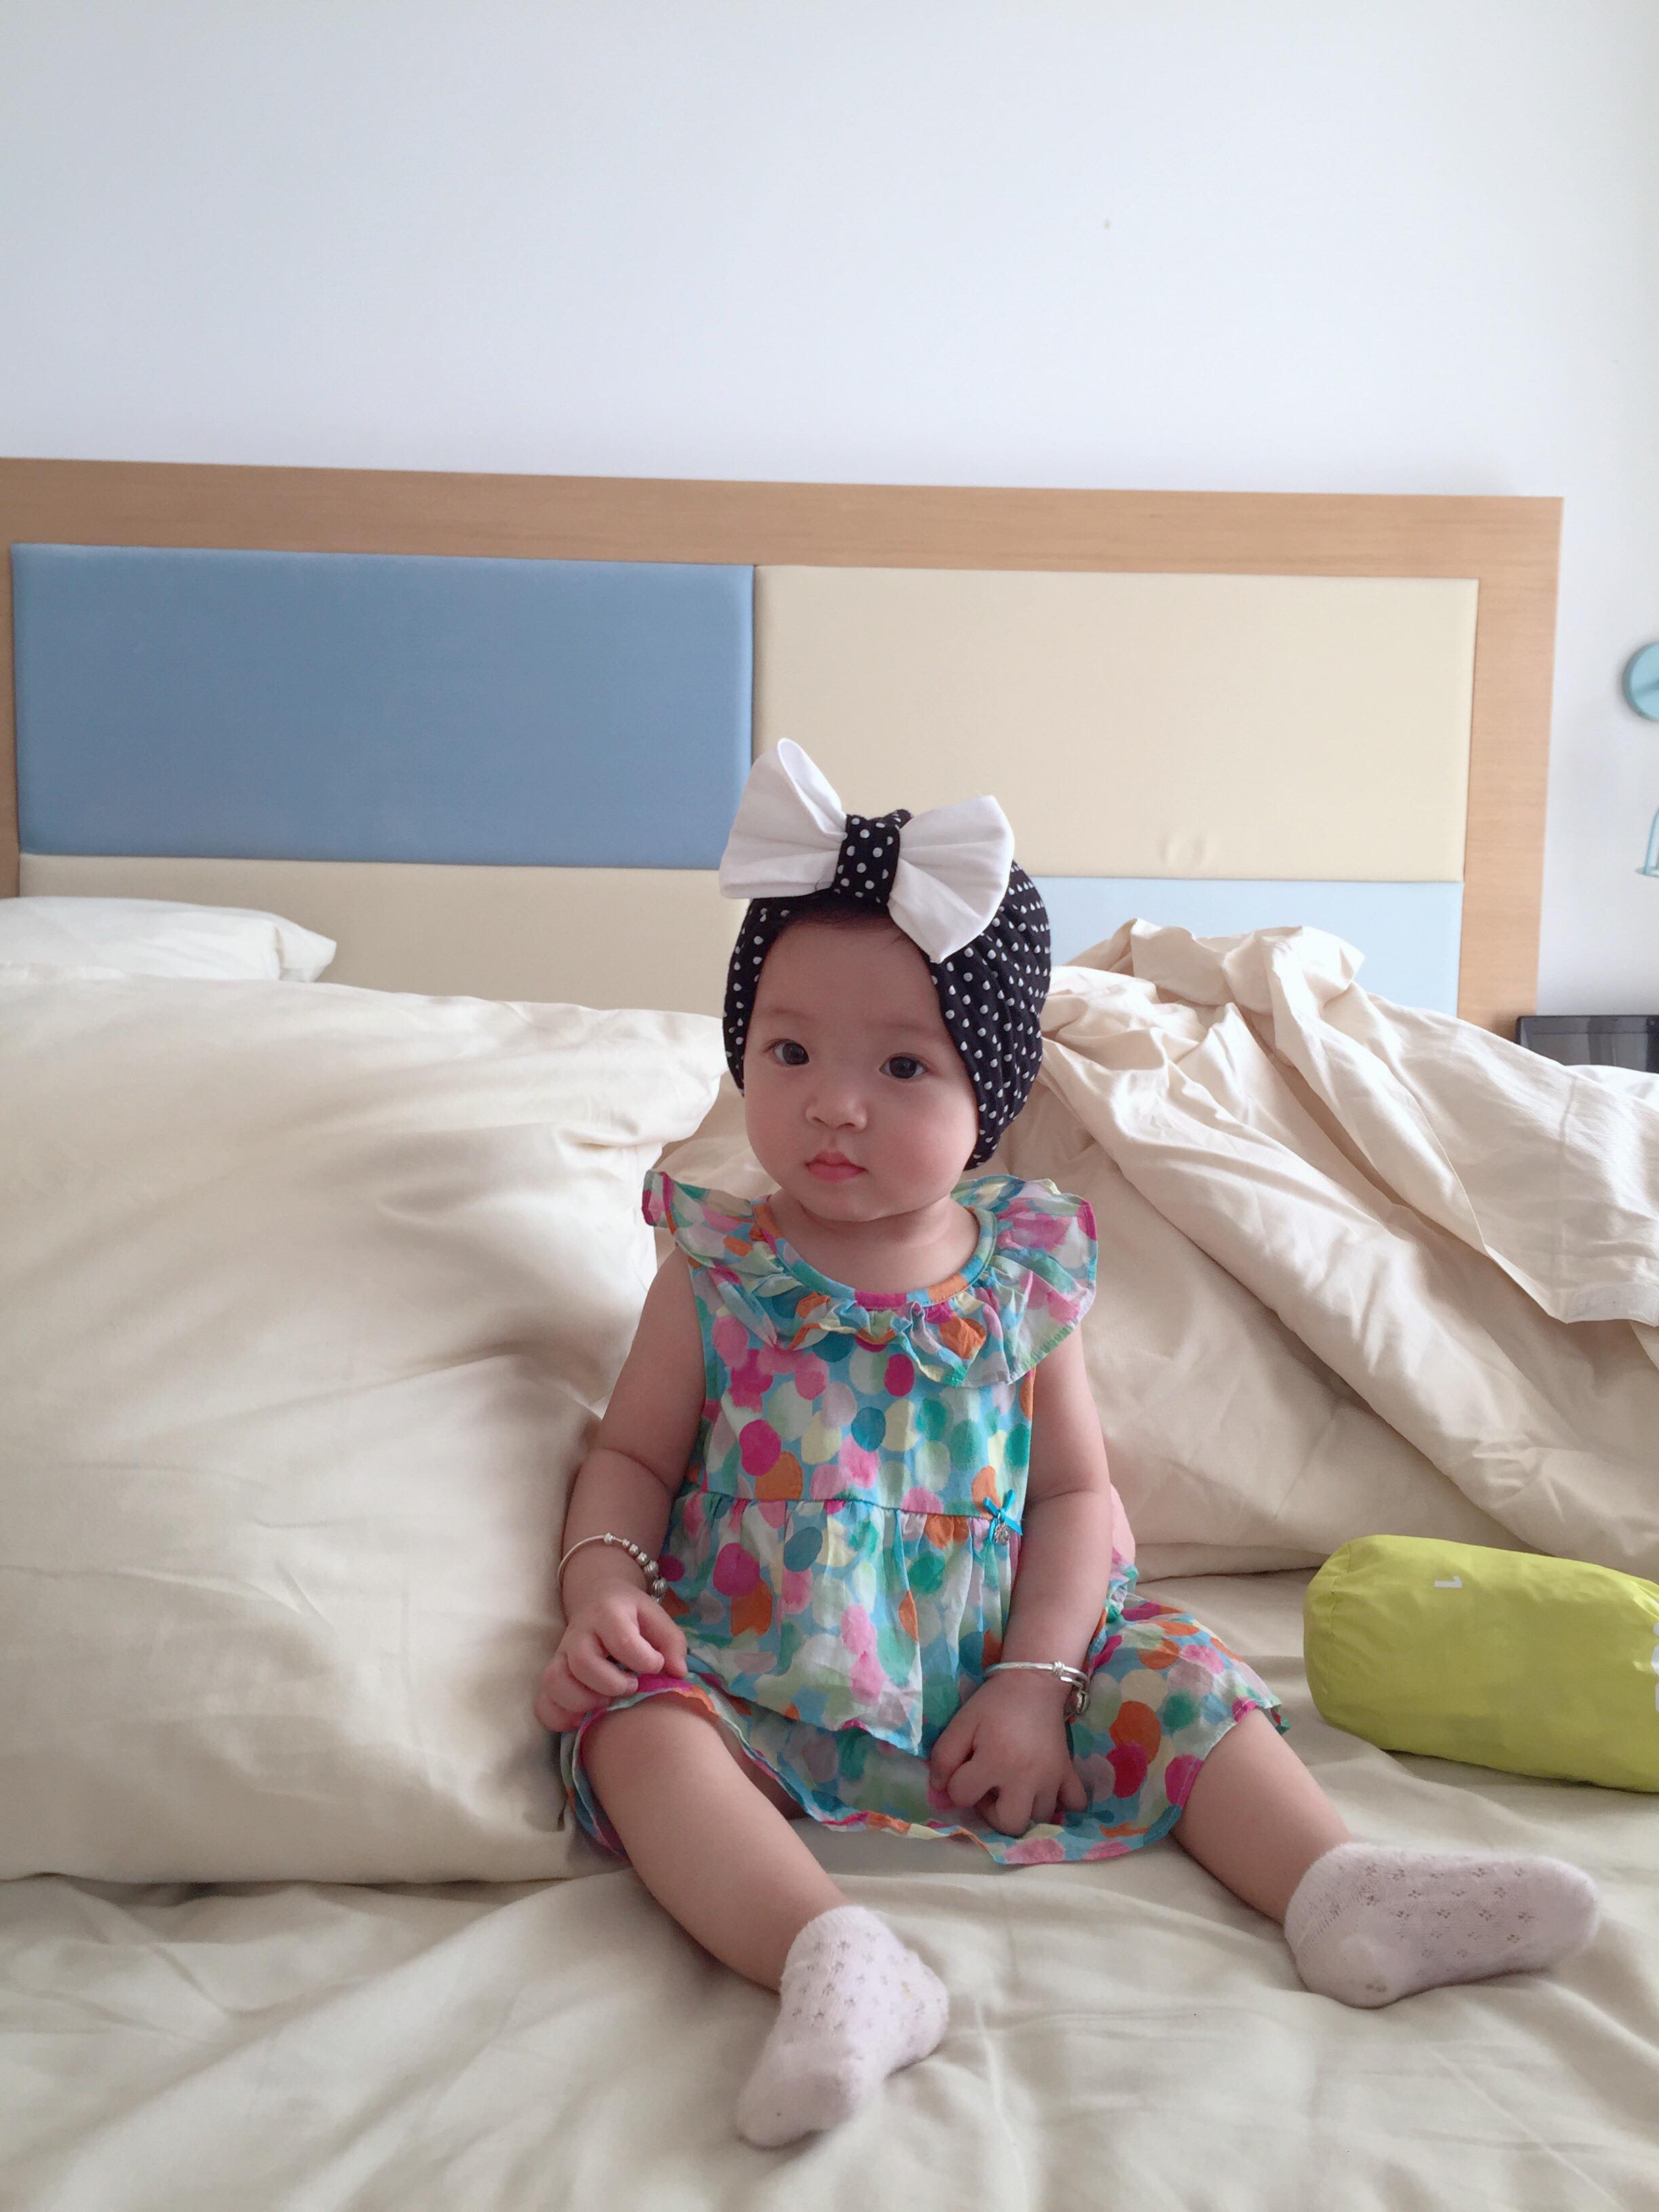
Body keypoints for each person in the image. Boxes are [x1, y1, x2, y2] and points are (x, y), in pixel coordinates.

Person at [535, 741, 1598, 2148]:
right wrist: (601, 1589)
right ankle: (831, 1958)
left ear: (989, 1090)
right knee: (634, 1732)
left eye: (901, 1064)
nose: (836, 1102)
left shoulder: (1021, 1272)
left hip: (1008, 1655)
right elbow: (628, 1459)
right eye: (790, 1052)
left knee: (1178, 1674)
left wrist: (1038, 1683)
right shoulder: (717, 1264)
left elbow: (1076, 1495)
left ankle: (1337, 1886)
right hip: (761, 1656)